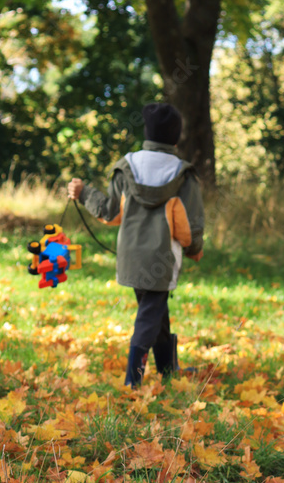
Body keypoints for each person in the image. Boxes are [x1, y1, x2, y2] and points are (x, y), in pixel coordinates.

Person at [67, 103, 204, 387]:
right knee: (149, 315)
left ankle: (168, 370)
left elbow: (110, 212)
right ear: (176, 139)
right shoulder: (182, 173)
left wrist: (83, 194)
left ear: (147, 133)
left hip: (131, 256)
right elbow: (190, 224)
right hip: (162, 259)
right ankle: (134, 380)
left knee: (156, 310)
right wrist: (194, 249)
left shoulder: (126, 166)